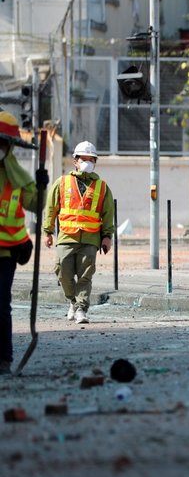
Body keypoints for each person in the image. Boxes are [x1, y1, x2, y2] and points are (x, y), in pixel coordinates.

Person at [43, 141, 115, 324]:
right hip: (66, 236)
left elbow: (107, 214)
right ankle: (73, 302)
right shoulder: (62, 183)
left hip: (91, 239)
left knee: (85, 276)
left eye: (92, 159)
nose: (88, 162)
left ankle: (81, 309)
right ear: (75, 161)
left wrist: (107, 236)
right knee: (62, 271)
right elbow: (51, 208)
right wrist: (48, 231)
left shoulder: (102, 187)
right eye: (84, 159)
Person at [0, 111, 42, 374]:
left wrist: (42, 187)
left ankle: (4, 359)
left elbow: (36, 204)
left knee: (0, 306)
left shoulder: (17, 178)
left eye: (2, 145)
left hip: (6, 254)